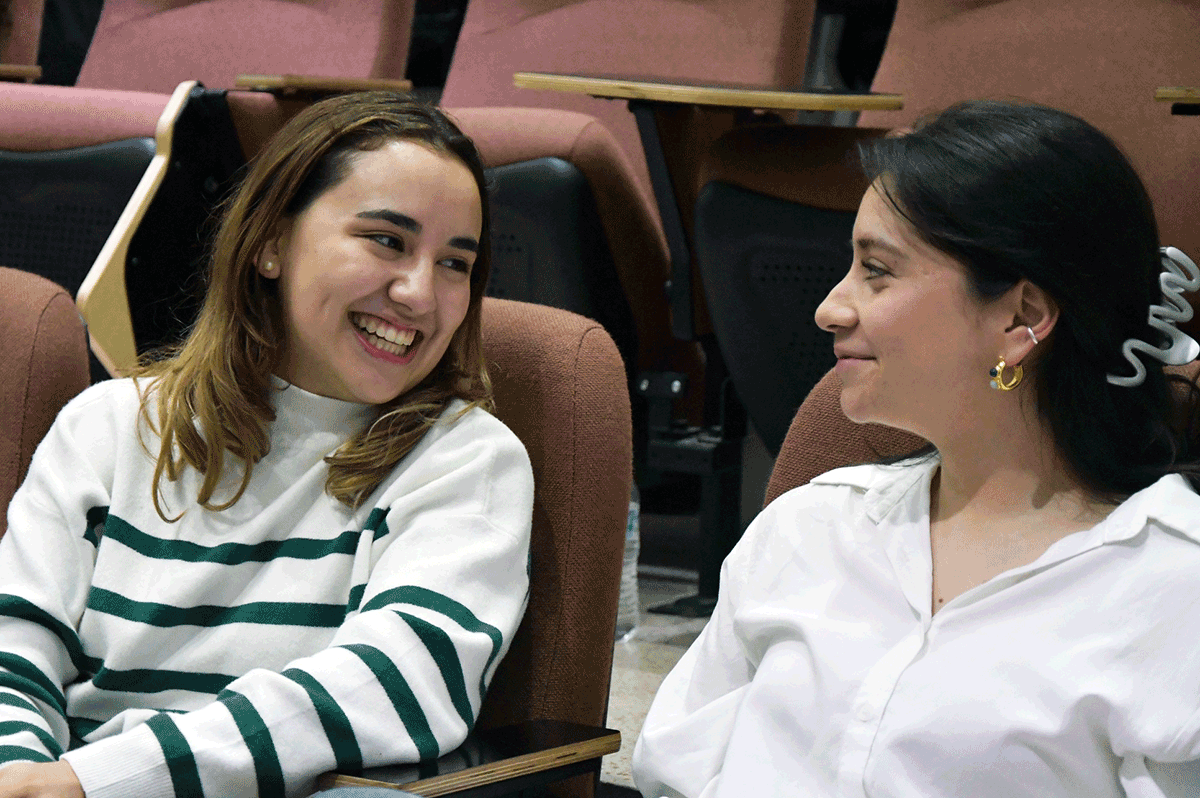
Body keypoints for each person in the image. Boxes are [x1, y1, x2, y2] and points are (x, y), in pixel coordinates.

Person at [632, 100, 1200, 797]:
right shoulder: (807, 526)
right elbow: (673, 777)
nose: (829, 308)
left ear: (1021, 317)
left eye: (877, 270)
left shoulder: (1173, 586)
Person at [0, 92, 534, 798]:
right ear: (271, 244)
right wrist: (21, 778)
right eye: (387, 241)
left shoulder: (466, 459)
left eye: (455, 264)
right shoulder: (108, 425)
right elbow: (13, 652)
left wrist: (91, 782)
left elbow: (393, 685)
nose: (420, 294)